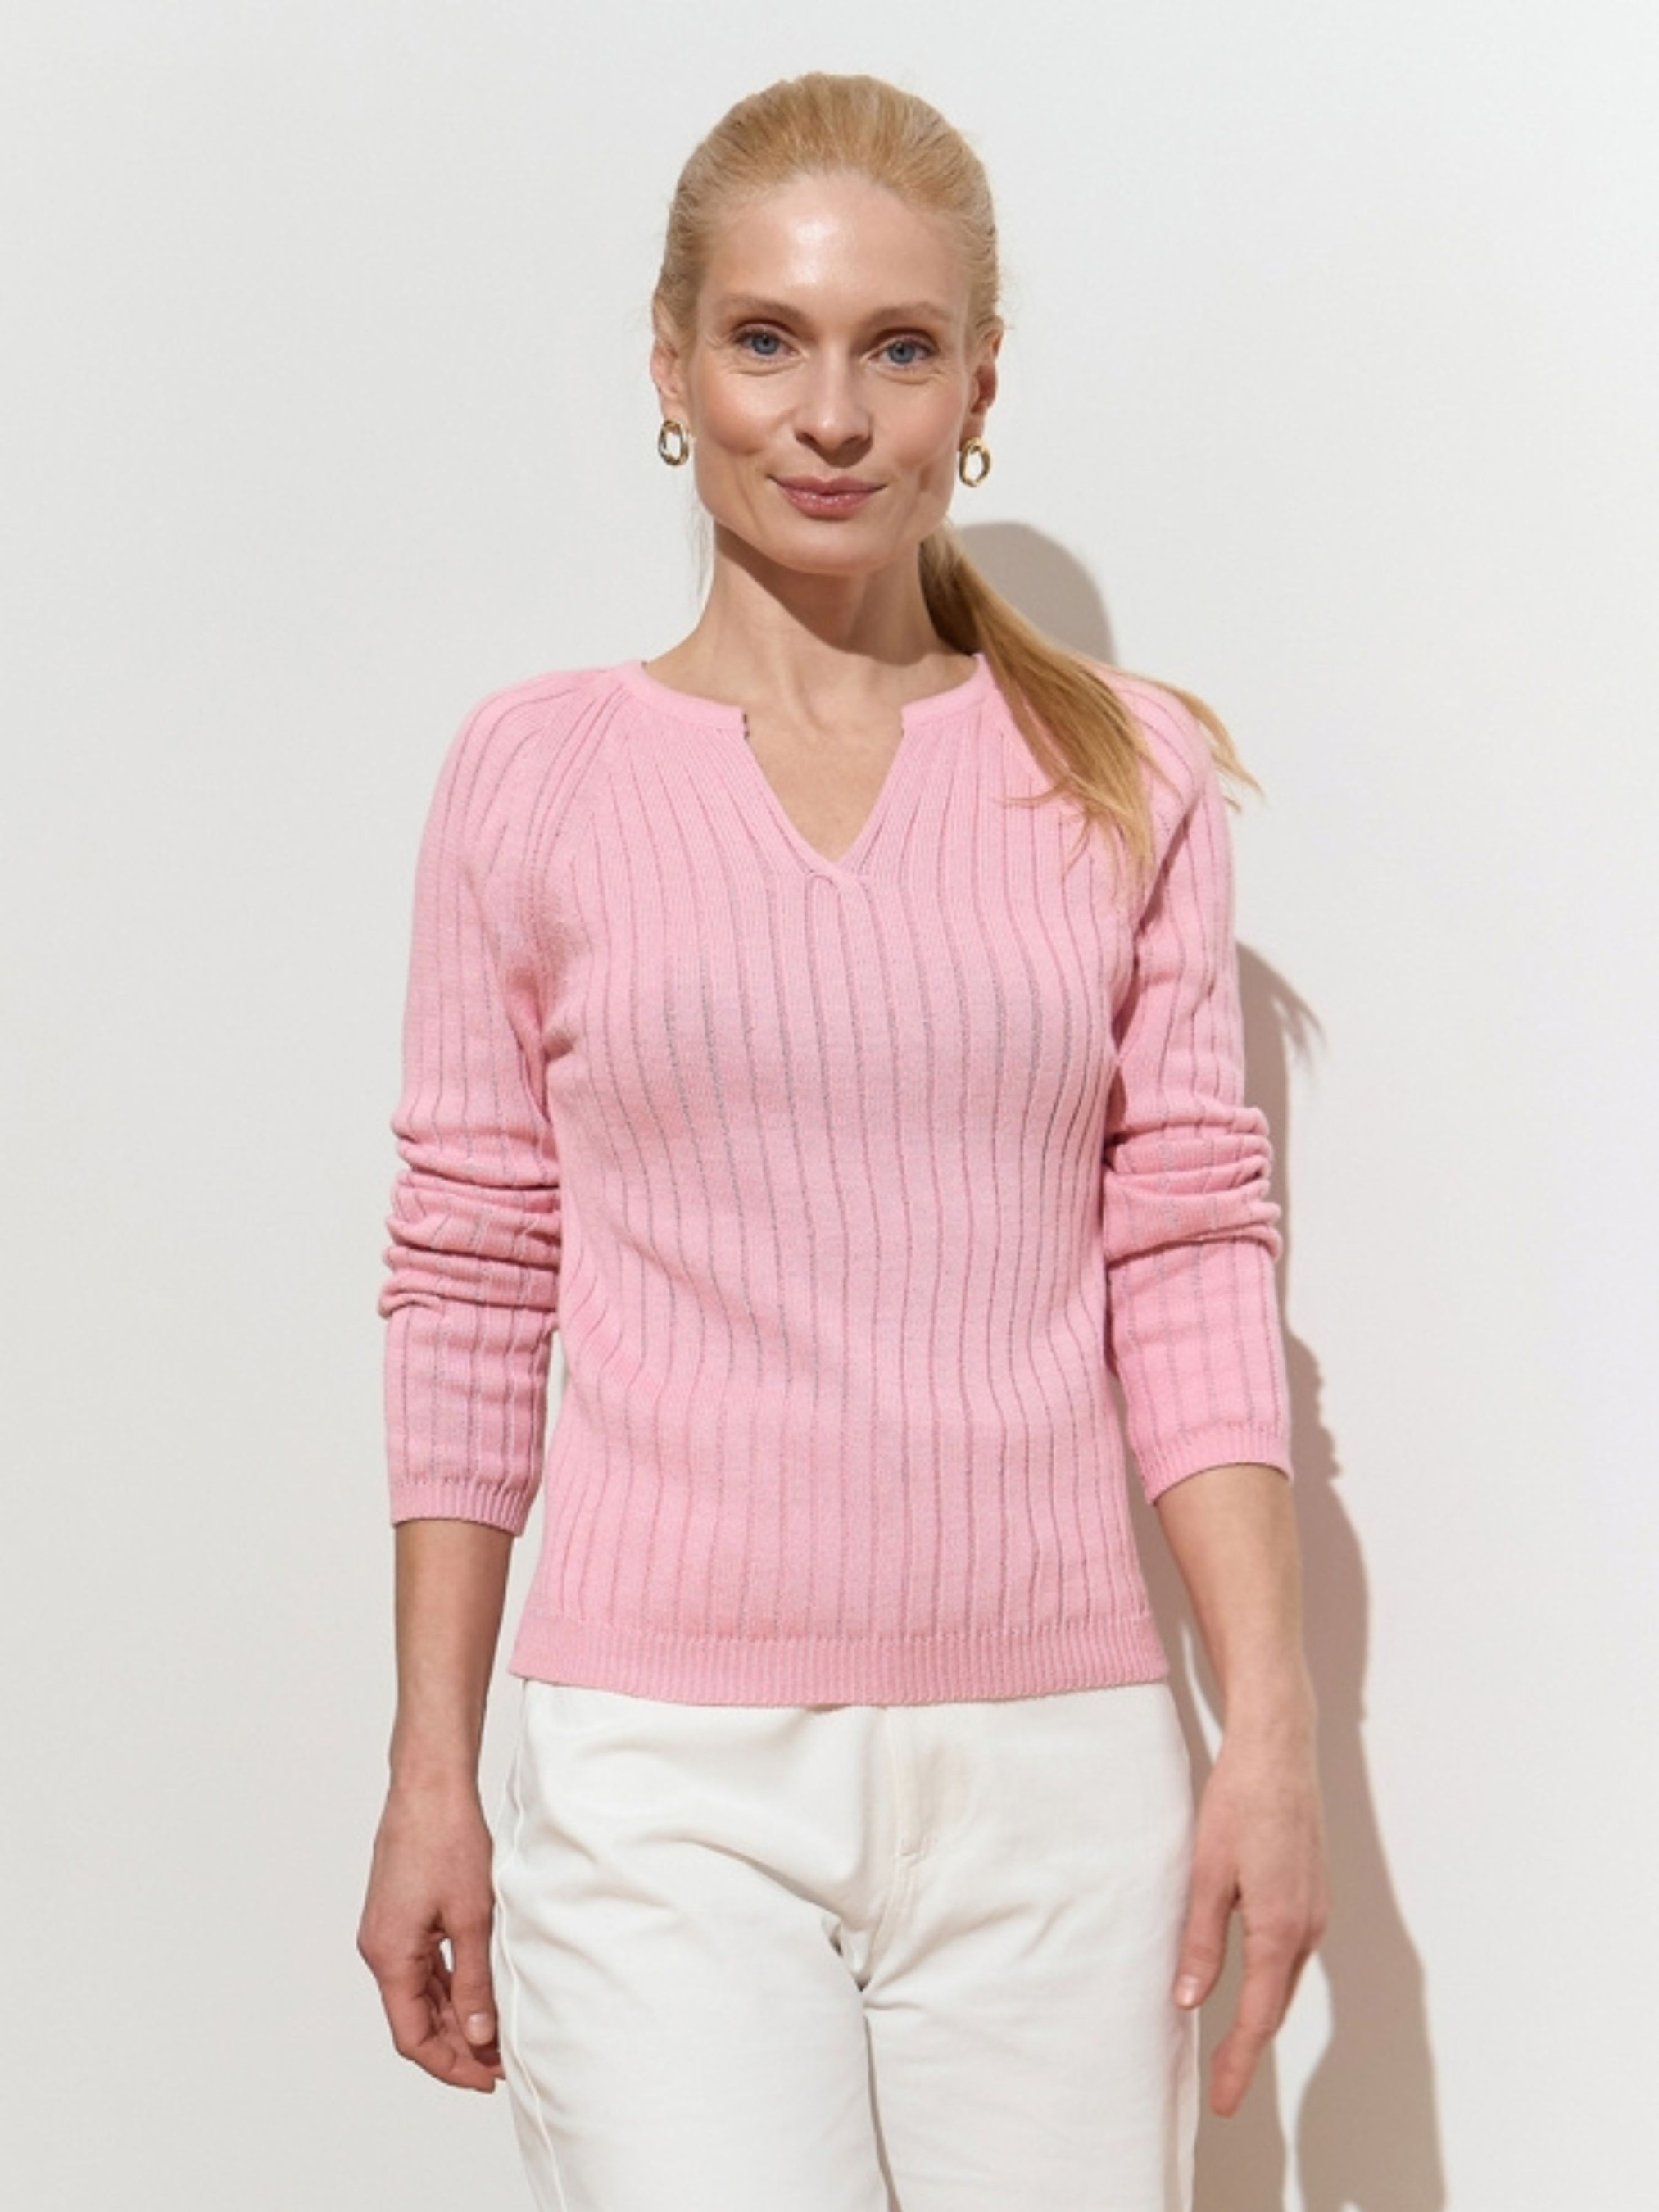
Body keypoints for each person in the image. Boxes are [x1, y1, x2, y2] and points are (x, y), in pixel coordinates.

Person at [356, 69, 1327, 2212]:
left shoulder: (1124, 771)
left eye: (896, 348)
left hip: (1062, 1767)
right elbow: (472, 1275)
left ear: (980, 383)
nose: (828, 415)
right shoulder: (533, 774)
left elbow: (1185, 1252)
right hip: (657, 1774)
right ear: (670, 367)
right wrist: (432, 1767)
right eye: (765, 339)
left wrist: (1269, 1730)